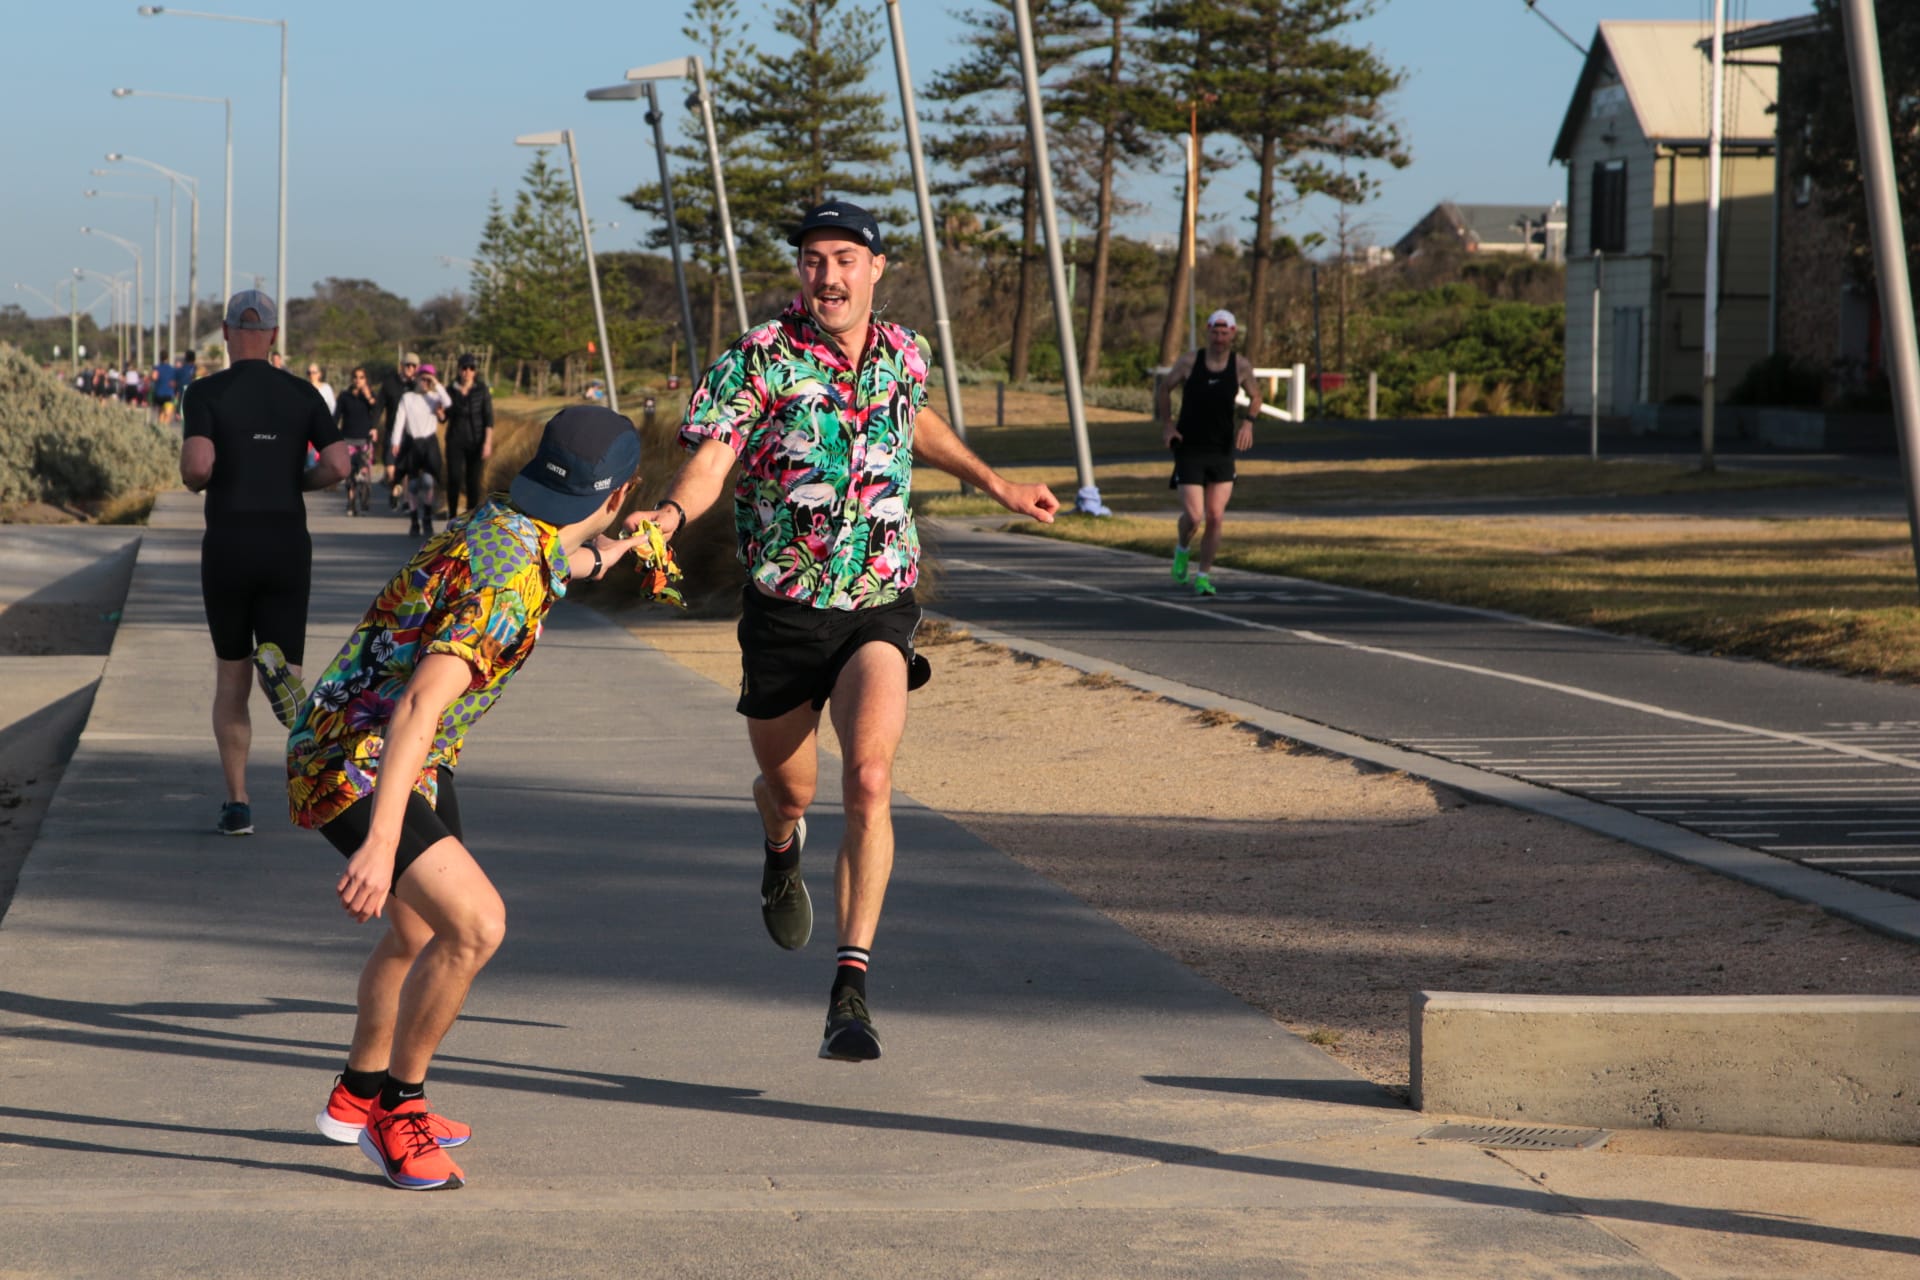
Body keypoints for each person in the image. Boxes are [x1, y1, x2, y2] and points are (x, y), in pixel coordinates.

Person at [631, 200, 1058, 1062]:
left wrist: (995, 482)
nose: (826, 275)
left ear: (875, 268)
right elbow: (713, 458)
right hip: (784, 609)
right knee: (791, 790)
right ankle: (780, 843)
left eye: (843, 259)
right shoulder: (757, 359)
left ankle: (850, 990)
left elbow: (917, 419)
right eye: (813, 260)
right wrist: (669, 515)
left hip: (879, 601)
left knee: (868, 778)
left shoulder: (906, 351)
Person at [290, 405, 645, 1191]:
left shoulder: (510, 523)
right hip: (359, 759)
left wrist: (617, 550)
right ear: (619, 492)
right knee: (476, 925)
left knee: (417, 932)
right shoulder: (512, 581)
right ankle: (397, 1113)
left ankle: (355, 1095)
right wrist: (381, 844)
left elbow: (565, 563)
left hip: (375, 744)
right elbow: (419, 705)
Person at [178, 290, 348, 836]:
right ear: (274, 336)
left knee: (231, 679)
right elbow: (340, 463)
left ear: (226, 333)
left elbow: (198, 465)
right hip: (285, 542)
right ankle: (315, 782)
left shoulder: (205, 392)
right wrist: (298, 480)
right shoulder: (302, 393)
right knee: (286, 673)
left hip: (228, 543)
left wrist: (200, 479)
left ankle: (238, 804)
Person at [1155, 308, 1260, 597]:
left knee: (1215, 516)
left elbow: (1256, 395)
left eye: (1225, 333)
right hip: (1190, 448)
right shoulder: (1191, 361)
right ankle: (1182, 549)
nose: (1219, 338)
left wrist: (1248, 424)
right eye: (1215, 332)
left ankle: (1203, 576)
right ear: (1208, 331)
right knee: (1194, 515)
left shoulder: (1240, 366)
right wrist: (1168, 426)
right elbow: (1165, 389)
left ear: (1233, 334)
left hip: (1222, 450)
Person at [390, 364, 449, 537]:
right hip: (412, 443)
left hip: (429, 442)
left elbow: (448, 402)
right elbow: (400, 420)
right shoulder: (407, 397)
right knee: (414, 484)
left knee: (429, 481)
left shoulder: (434, 397)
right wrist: (396, 441)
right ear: (416, 378)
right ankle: (414, 519)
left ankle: (427, 517)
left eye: (427, 379)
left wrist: (436, 383)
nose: (424, 382)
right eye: (422, 378)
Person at [442, 354, 494, 522]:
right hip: (455, 440)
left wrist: (487, 442)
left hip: (476, 441)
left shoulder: (482, 389)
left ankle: (471, 518)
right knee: (454, 479)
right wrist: (439, 412)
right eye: (464, 368)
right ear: (459, 370)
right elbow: (444, 417)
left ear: (475, 371)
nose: (467, 372)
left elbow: (488, 417)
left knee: (473, 481)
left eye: (471, 368)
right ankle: (452, 516)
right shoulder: (451, 390)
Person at [336, 366, 380, 515]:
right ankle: (351, 502)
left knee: (364, 473)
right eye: (355, 377)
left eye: (361, 377)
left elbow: (376, 411)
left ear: (366, 380)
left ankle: (365, 498)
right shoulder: (344, 396)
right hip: (348, 438)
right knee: (350, 473)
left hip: (364, 440)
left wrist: (368, 397)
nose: (358, 380)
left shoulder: (370, 396)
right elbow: (337, 416)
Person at [380, 352, 421, 510]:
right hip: (392, 431)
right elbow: (379, 406)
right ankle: (394, 487)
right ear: (402, 366)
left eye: (414, 366)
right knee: (391, 470)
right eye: (407, 365)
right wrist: (373, 427)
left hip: (410, 433)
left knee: (406, 468)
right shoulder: (390, 383)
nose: (410, 369)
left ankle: (404, 499)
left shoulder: (418, 385)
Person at [152, 352, 180, 425]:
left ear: (160, 358)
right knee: (168, 414)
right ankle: (165, 428)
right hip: (168, 394)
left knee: (160, 413)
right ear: (167, 358)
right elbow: (174, 383)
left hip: (159, 394)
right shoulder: (172, 369)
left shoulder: (157, 368)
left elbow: (154, 377)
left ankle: (160, 429)